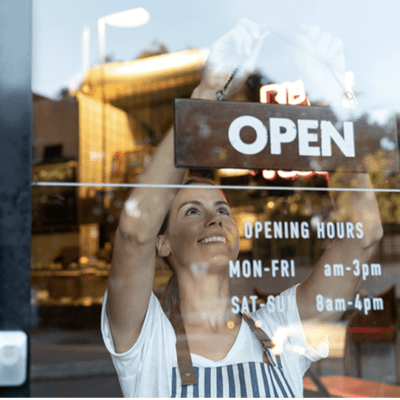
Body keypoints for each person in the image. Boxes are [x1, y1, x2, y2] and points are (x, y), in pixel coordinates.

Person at [101, 19, 383, 397]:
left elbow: (363, 235)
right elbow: (134, 233)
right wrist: (206, 95)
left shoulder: (278, 329)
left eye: (222, 209)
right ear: (163, 243)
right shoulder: (145, 337)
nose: (214, 217)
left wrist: (328, 103)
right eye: (191, 211)